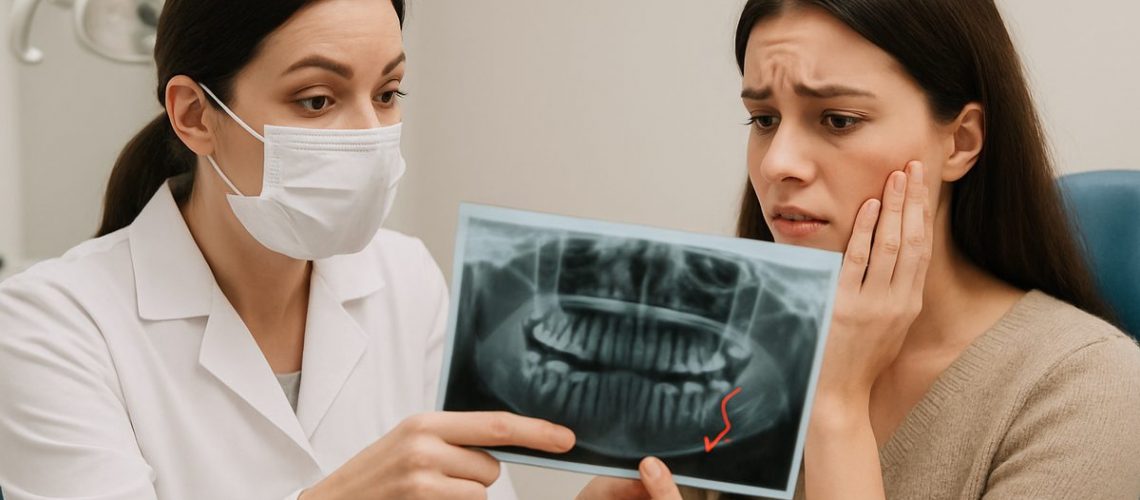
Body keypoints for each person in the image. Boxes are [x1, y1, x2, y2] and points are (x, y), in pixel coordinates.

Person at [0, 1, 576, 498]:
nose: (368, 136)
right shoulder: (50, 326)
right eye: (317, 100)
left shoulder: (407, 281)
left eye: (387, 92)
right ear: (194, 115)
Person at [581, 0, 1140, 498]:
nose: (777, 163)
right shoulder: (724, 361)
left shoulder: (1090, 393)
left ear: (961, 141)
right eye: (764, 119)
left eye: (838, 120)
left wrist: (837, 409)